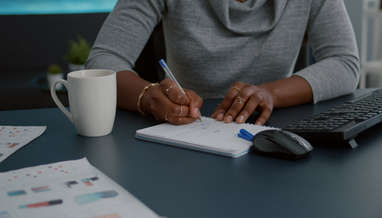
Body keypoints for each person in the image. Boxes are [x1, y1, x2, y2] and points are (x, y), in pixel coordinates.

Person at [86, 0, 359, 126]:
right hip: (187, 131)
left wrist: (271, 93)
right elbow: (103, 60)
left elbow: (344, 63)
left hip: (270, 131)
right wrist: (148, 97)